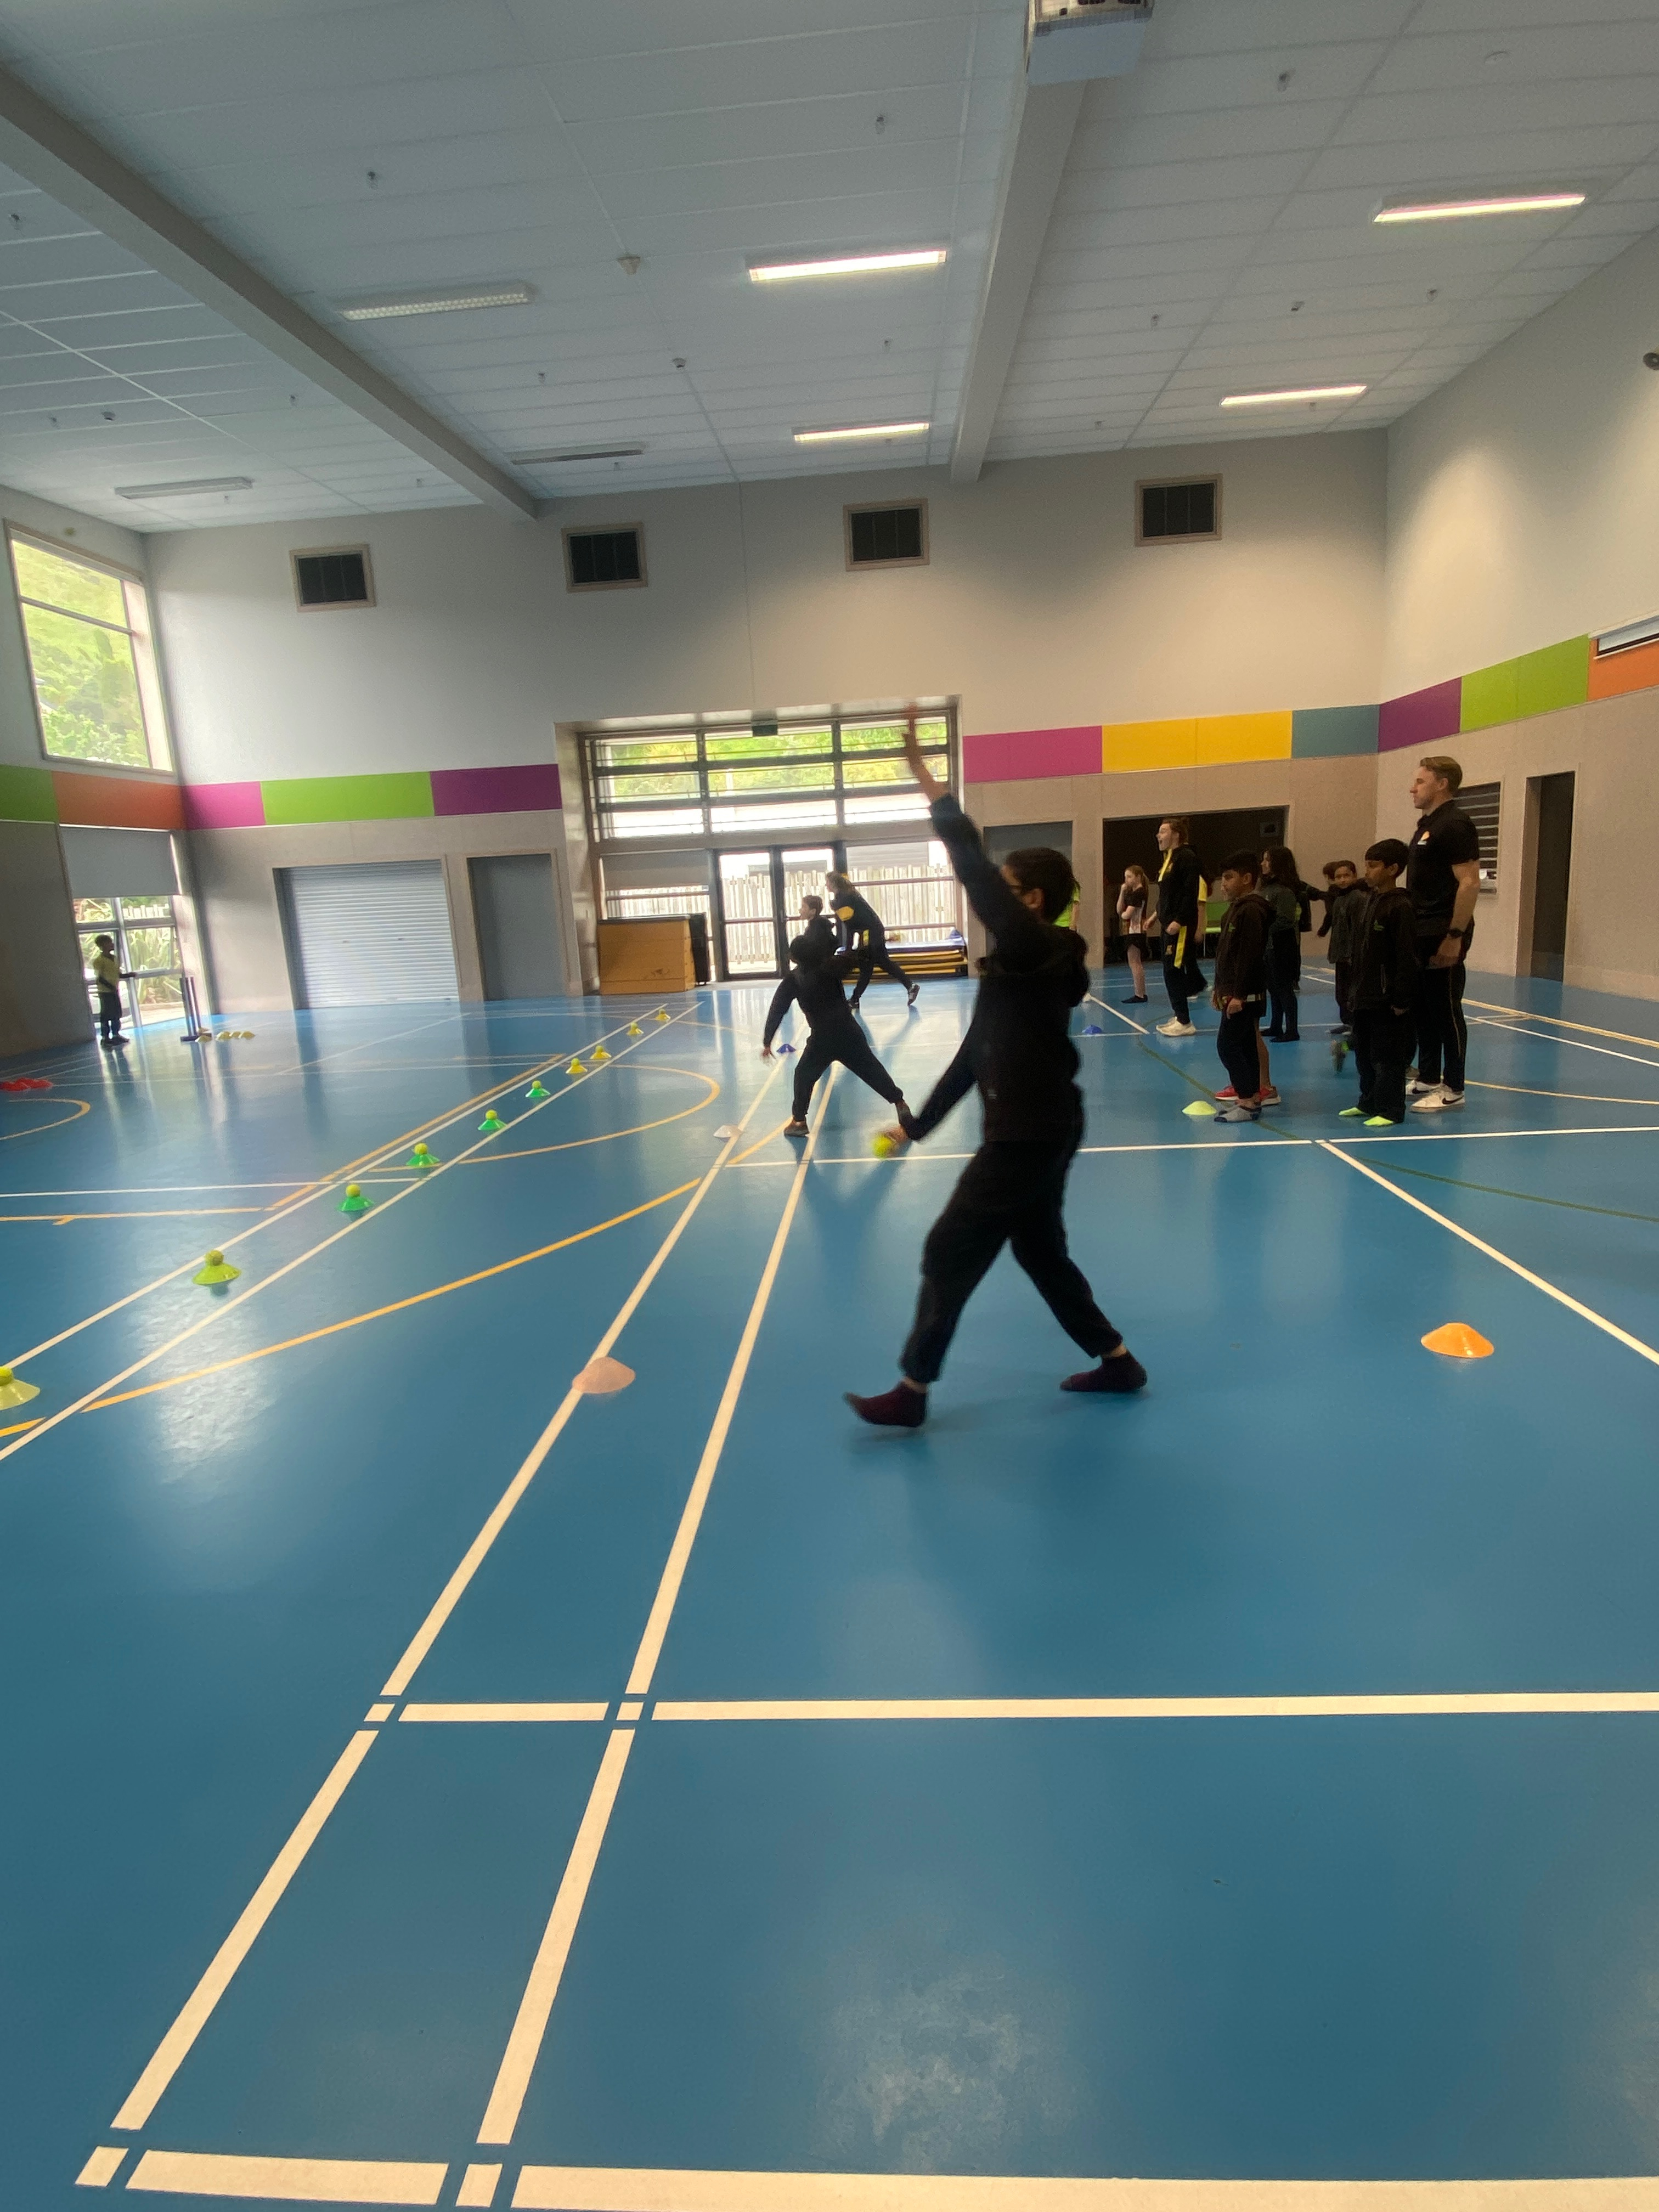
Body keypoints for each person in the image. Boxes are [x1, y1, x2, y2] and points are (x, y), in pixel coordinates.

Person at [846, 730, 1144, 1428]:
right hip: (1042, 1125)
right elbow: (974, 1055)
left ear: (1033, 900)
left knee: (948, 1247)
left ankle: (912, 1391)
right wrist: (916, 1125)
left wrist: (936, 794)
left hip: (1028, 1134)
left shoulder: (1038, 949)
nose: (992, 905)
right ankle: (1118, 1361)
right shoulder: (1014, 968)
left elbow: (976, 875)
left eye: (1008, 895)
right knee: (1041, 1252)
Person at [763, 932, 913, 1138]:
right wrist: (879, 942)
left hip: (822, 1040)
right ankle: (900, 1103)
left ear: (795, 957)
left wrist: (767, 1041)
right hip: (849, 1033)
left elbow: (777, 1010)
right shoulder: (832, 965)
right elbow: (858, 955)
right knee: (872, 1070)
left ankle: (799, 1122)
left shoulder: (793, 980)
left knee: (803, 1075)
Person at [1404, 754, 1479, 1114]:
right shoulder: (1429, 824)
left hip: (1443, 929)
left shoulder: (1455, 824)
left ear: (1442, 784)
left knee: (1447, 1009)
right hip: (1421, 928)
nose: (1413, 788)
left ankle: (1454, 1087)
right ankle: (1429, 1076)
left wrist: (1455, 935)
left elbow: (1469, 882)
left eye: (1420, 781)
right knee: (1424, 1008)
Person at [1338, 839, 1418, 1127]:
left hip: (1386, 1000)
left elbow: (1407, 956)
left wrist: (1401, 998)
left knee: (1387, 1058)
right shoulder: (1369, 901)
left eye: (1373, 866)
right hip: (1364, 995)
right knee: (1364, 1054)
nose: (1367, 871)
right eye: (1367, 865)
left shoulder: (1401, 906)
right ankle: (1368, 1101)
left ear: (1393, 869)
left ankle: (1390, 1109)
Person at [1209, 853, 1272, 1124]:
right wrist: (1219, 989)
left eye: (1229, 877)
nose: (1223, 884)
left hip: (1245, 995)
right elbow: (1227, 956)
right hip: (1233, 992)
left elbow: (1249, 957)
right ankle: (1252, 1098)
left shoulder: (1252, 911)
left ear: (1247, 879)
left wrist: (1239, 995)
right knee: (1245, 1045)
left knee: (1228, 1046)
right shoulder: (1236, 910)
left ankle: (1246, 1100)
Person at [825, 869, 919, 1009]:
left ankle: (856, 999)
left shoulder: (843, 899)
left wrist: (849, 949)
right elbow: (853, 925)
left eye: (827, 883)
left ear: (833, 884)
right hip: (871, 931)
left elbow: (850, 926)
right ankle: (856, 999)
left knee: (870, 963)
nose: (826, 886)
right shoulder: (847, 895)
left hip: (870, 932)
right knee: (872, 964)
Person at [1154, 816, 1204, 1037]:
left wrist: (1179, 920)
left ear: (1176, 835)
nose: (1159, 836)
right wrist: (1157, 916)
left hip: (1179, 926)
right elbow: (1167, 895)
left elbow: (1189, 893)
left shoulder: (1186, 857)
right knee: (1169, 970)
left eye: (1163, 831)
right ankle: (1179, 1015)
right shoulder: (1169, 858)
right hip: (1167, 924)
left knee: (1173, 970)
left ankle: (1184, 1021)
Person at [1259, 845, 1307, 1042]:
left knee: (1284, 988)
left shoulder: (1285, 892)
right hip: (1269, 946)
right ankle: (1276, 1025)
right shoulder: (1266, 889)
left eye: (1267, 860)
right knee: (1273, 987)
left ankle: (1292, 1030)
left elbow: (1286, 920)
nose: (1263, 864)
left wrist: (1262, 928)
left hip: (1282, 947)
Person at [1324, 859, 1365, 1042]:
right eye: (1338, 877)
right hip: (1340, 954)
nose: (1342, 880)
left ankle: (1357, 1026)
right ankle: (1347, 1022)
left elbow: (1357, 930)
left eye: (1346, 876)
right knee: (1341, 993)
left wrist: (1352, 953)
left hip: (1351, 956)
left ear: (1354, 876)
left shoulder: (1357, 898)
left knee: (1352, 992)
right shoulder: (1339, 899)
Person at [1115, 864, 1154, 1003]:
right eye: (1126, 877)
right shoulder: (1131, 893)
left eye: (1130, 877)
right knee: (1134, 962)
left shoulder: (1139, 893)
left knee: (1135, 963)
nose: (1127, 880)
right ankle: (1140, 993)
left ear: (1138, 877)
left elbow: (1126, 914)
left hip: (1136, 931)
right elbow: (1119, 910)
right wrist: (1122, 892)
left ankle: (1140, 994)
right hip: (1131, 931)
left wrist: (1124, 914)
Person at [88, 932, 129, 1047]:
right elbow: (100, 978)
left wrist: (128, 975)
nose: (112, 944)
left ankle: (116, 1035)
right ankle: (105, 1038)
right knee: (106, 1015)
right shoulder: (99, 961)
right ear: (103, 945)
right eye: (109, 943)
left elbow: (117, 974)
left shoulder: (114, 959)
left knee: (116, 1014)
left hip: (114, 991)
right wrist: (110, 987)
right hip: (105, 992)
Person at [797, 892, 837, 960]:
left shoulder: (817, 929)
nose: (800, 910)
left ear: (813, 911)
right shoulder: (819, 926)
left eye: (804, 907)